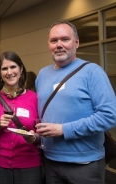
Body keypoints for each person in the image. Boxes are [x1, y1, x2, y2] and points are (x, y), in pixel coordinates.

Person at [35, 21, 116, 184]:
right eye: (54, 40)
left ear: (76, 42)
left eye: (65, 39)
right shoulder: (42, 75)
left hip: (85, 166)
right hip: (50, 162)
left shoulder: (92, 72)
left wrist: (64, 130)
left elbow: (109, 117)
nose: (59, 45)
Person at [0, 51, 42, 184]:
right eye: (4, 69)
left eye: (13, 67)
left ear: (21, 69)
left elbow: (43, 130)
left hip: (29, 164)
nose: (9, 72)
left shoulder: (35, 98)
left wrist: (35, 137)